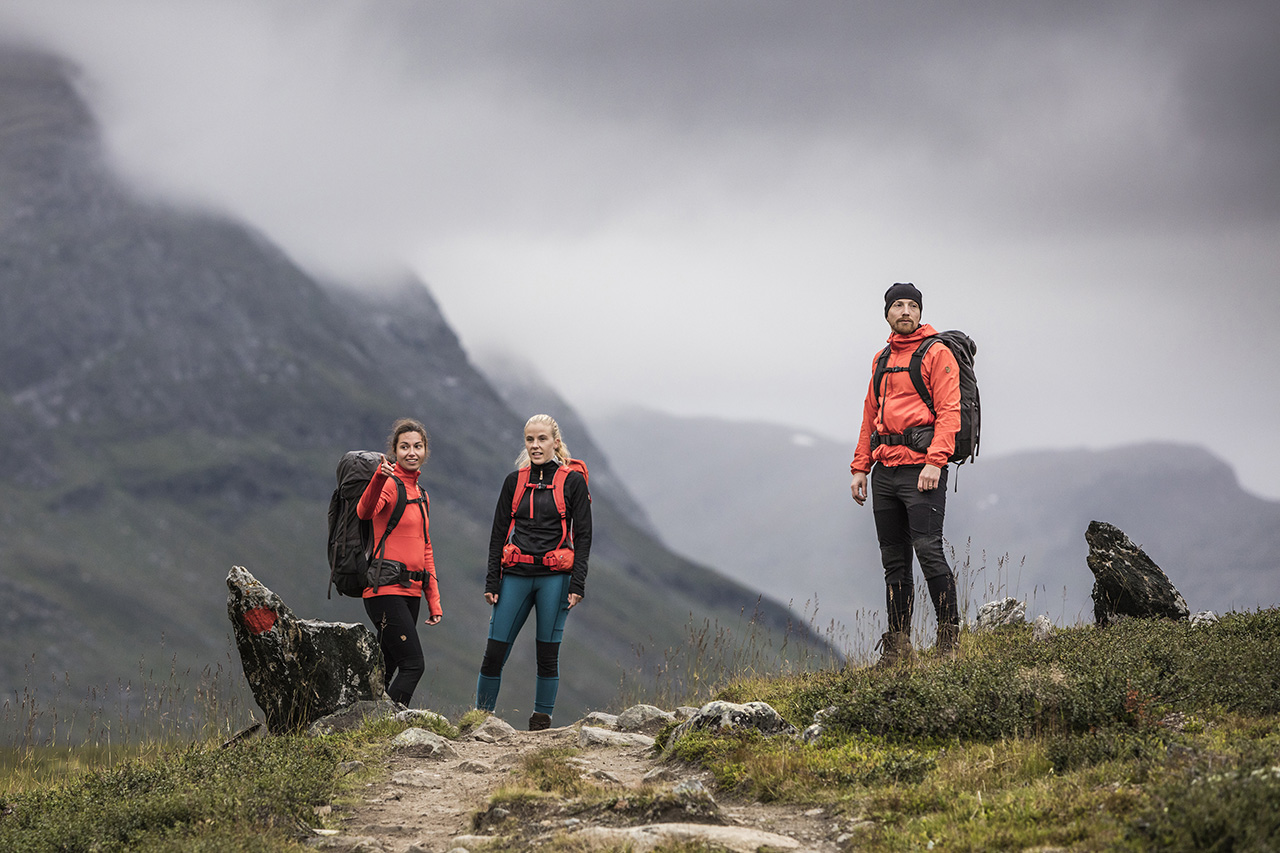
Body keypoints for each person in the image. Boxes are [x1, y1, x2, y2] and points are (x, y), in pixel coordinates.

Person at [850, 282, 961, 666]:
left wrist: (936, 461)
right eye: (897, 305)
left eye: (912, 305)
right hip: (884, 473)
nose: (905, 311)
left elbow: (950, 412)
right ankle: (899, 649)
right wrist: (860, 467)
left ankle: (949, 646)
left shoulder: (937, 353)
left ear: (920, 313)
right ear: (887, 313)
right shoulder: (881, 359)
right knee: (894, 561)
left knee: (929, 551)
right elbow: (870, 416)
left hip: (921, 470)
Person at [475, 414, 592, 731]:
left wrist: (577, 584)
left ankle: (540, 724)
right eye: (530, 439)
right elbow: (498, 533)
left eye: (542, 439)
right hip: (515, 576)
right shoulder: (514, 482)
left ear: (555, 441)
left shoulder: (573, 482)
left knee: (547, 655)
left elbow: (584, 536)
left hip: (555, 580)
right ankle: (480, 721)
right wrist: (492, 580)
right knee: (494, 652)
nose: (536, 445)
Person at [357, 418, 442, 705]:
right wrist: (380, 477)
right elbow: (365, 512)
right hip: (384, 591)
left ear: (425, 451)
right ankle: (388, 725)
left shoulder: (422, 495)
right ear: (394, 451)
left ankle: (360, 718)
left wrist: (434, 600)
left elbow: (425, 548)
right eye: (404, 446)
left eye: (417, 446)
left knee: (387, 668)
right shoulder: (391, 485)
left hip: (410, 593)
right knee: (413, 665)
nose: (411, 452)